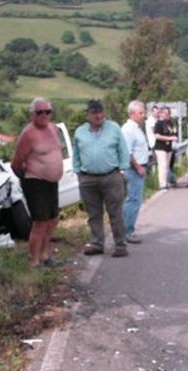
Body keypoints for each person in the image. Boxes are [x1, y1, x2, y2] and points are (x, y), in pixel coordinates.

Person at [73, 99, 130, 257]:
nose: (98, 115)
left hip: (111, 176)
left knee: (115, 213)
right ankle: (97, 243)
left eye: (100, 112)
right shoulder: (80, 132)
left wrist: (123, 169)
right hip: (87, 178)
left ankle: (120, 245)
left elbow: (123, 150)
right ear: (88, 115)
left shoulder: (113, 128)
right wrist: (78, 172)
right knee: (93, 214)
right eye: (94, 112)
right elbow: (76, 153)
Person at [11, 97, 64, 268]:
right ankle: (34, 261)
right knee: (40, 222)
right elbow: (16, 163)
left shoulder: (53, 128)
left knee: (52, 220)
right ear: (32, 114)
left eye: (47, 111)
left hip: (51, 182)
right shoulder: (28, 134)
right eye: (39, 112)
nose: (44, 115)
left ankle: (45, 255)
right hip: (35, 181)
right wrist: (28, 179)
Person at [121, 100, 149, 244]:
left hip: (138, 167)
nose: (144, 115)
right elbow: (127, 152)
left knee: (132, 199)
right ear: (132, 114)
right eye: (141, 113)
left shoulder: (136, 128)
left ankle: (124, 230)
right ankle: (127, 231)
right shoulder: (128, 129)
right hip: (134, 169)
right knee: (134, 200)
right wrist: (138, 167)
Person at [153, 107, 178, 191]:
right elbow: (157, 136)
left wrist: (174, 135)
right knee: (162, 165)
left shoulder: (170, 124)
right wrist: (169, 138)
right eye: (166, 113)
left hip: (168, 147)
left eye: (169, 113)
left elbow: (174, 133)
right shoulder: (159, 123)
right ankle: (162, 184)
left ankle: (166, 182)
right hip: (160, 147)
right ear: (162, 114)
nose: (168, 115)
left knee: (167, 166)